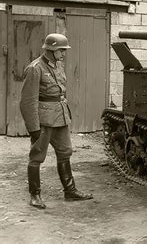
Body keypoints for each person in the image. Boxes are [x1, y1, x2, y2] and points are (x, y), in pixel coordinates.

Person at [20, 33, 93, 209]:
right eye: (61, 50)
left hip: (59, 116)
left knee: (65, 151)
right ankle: (35, 195)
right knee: (37, 155)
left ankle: (70, 191)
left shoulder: (57, 65)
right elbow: (27, 101)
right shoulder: (35, 68)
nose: (64, 53)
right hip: (44, 120)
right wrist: (33, 128)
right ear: (51, 50)